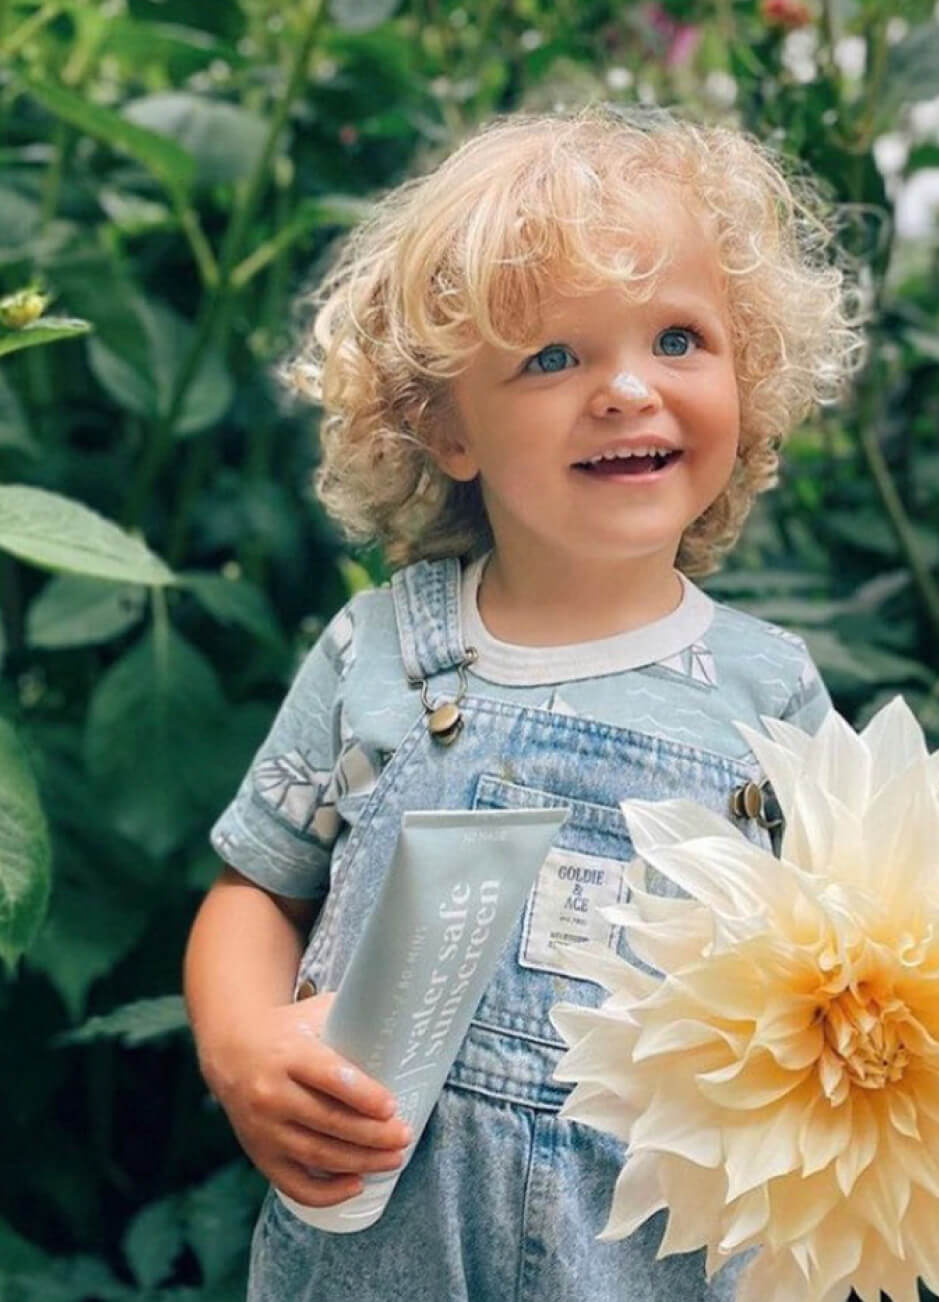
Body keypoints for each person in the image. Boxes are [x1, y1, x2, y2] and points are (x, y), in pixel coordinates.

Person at [183, 102, 865, 1300]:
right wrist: (246, 1046)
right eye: (553, 357)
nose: (625, 390)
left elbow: (862, 983)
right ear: (445, 423)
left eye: (677, 339)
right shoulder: (380, 653)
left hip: (661, 1260)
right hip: (378, 1246)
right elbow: (254, 889)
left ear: (750, 375)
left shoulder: (768, 696)